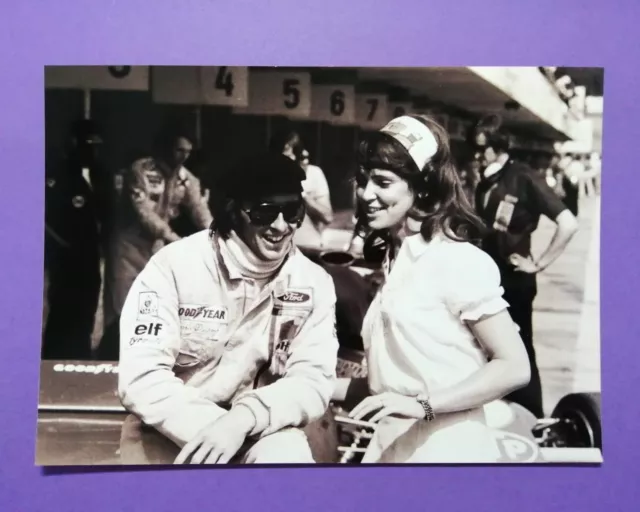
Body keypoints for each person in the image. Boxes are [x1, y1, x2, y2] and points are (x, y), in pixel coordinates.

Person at [117, 152, 339, 464]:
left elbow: (312, 380)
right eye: (264, 213)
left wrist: (242, 421)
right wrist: (216, 430)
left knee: (288, 458)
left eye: (292, 211)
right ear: (234, 210)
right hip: (169, 434)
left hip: (260, 432)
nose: (281, 226)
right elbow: (142, 377)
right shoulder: (173, 266)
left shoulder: (314, 282)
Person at [333, 115, 531, 463]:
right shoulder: (394, 262)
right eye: (364, 180)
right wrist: (299, 386)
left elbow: (514, 366)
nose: (366, 194)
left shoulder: (457, 260)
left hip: (449, 454)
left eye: (382, 182)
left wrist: (422, 405)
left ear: (423, 186)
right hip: (390, 451)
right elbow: (391, 388)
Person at [475, 132, 579, 418]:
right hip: (486, 279)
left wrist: (540, 264)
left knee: (519, 351)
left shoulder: (524, 177)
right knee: (489, 350)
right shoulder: (487, 180)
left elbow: (568, 223)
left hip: (514, 279)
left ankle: (532, 416)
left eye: (481, 148)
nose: (476, 154)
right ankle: (499, 414)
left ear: (497, 149)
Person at [99, 127, 213, 360]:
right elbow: (144, 214)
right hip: (128, 248)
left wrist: (217, 234)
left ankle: (141, 361)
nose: (183, 156)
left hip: (157, 249)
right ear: (166, 147)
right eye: (179, 149)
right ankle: (109, 360)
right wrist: (174, 238)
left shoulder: (186, 178)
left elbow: (199, 209)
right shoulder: (141, 170)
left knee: (151, 310)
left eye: (188, 151)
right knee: (122, 308)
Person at [42, 119, 106, 360]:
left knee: (86, 310)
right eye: (88, 145)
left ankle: (79, 358)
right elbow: (46, 218)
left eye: (96, 146)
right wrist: (63, 245)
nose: (93, 151)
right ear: (74, 143)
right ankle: (54, 361)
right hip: (66, 257)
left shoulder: (98, 176)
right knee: (63, 311)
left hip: (89, 256)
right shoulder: (58, 175)